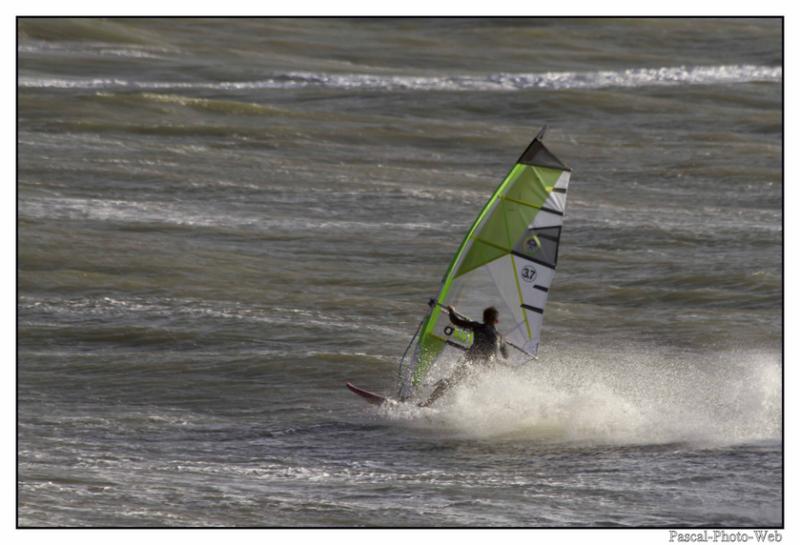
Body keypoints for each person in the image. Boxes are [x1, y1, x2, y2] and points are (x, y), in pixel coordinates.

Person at [419, 305, 508, 407]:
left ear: (483, 319)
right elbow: (506, 356)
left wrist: (451, 310)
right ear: (497, 321)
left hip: (471, 361)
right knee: (478, 388)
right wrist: (501, 344)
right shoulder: (501, 337)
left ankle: (427, 403)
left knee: (450, 381)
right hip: (487, 368)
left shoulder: (477, 326)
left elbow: (455, 321)